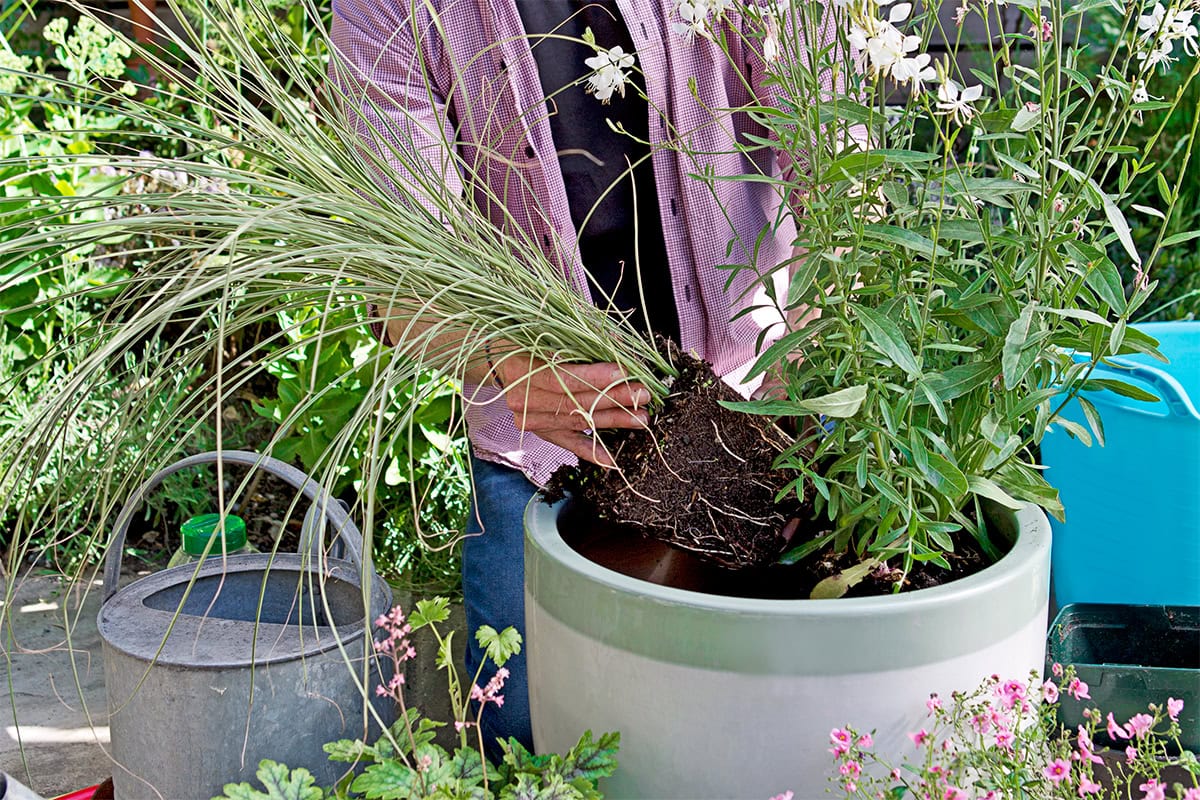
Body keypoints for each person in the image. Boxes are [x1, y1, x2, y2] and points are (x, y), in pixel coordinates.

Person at [330, 0, 832, 756]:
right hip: (546, 444)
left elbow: (840, 163)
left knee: (792, 734)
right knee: (526, 737)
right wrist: (497, 364)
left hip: (761, 394)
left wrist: (817, 344)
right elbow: (402, 282)